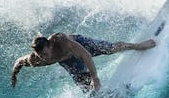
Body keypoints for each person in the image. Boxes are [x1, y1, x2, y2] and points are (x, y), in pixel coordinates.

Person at [10, 33, 156, 93]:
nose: (44, 58)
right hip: (67, 61)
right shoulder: (35, 60)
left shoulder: (61, 40)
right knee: (86, 88)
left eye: (45, 54)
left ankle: (137, 45)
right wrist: (14, 76)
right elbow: (19, 62)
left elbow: (86, 55)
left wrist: (95, 77)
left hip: (81, 46)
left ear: (50, 46)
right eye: (40, 55)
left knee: (109, 49)